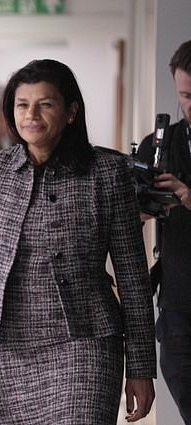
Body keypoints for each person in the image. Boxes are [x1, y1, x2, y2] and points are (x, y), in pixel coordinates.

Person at [0, 59, 156, 424]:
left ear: (70, 112)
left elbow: (133, 276)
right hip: (4, 349)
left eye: (45, 104)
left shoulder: (107, 174)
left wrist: (141, 366)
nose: (31, 115)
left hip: (84, 344)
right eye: (22, 105)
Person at [137, 39, 191, 425]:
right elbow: (130, 218)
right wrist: (143, 207)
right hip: (178, 300)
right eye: (185, 95)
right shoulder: (160, 144)